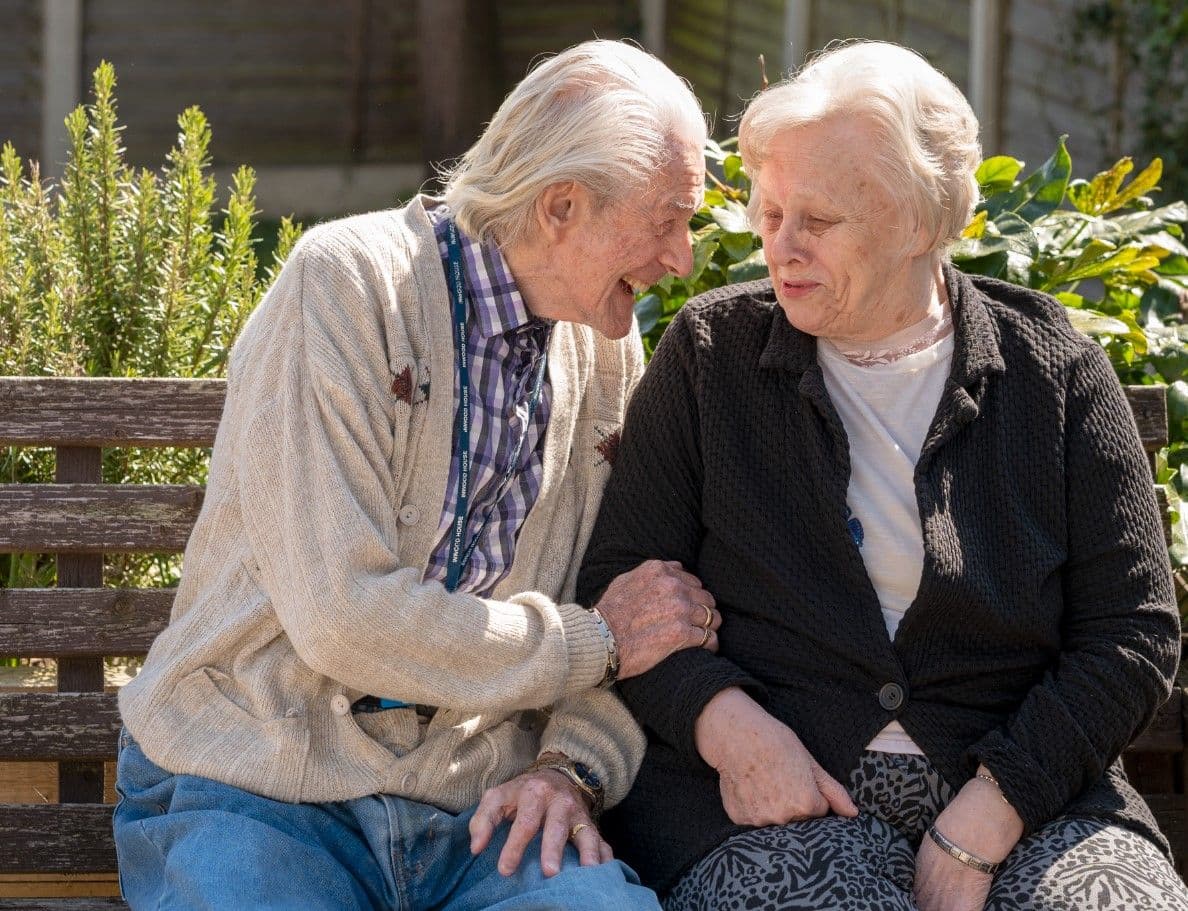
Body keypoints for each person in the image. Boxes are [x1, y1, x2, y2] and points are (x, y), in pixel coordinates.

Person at [577, 40, 1188, 911]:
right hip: (777, 799)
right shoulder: (712, 356)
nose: (778, 247)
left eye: (816, 221)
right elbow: (620, 585)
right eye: (770, 212)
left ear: (915, 221)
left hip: (1027, 793)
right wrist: (731, 729)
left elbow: (1131, 634)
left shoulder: (1052, 368)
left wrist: (993, 810)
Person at [113, 40, 722, 911]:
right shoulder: (345, 288)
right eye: (667, 218)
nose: (683, 256)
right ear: (561, 206)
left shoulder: (605, 345)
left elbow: (641, 605)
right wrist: (594, 642)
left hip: (478, 810)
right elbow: (343, 614)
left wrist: (570, 767)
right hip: (259, 784)